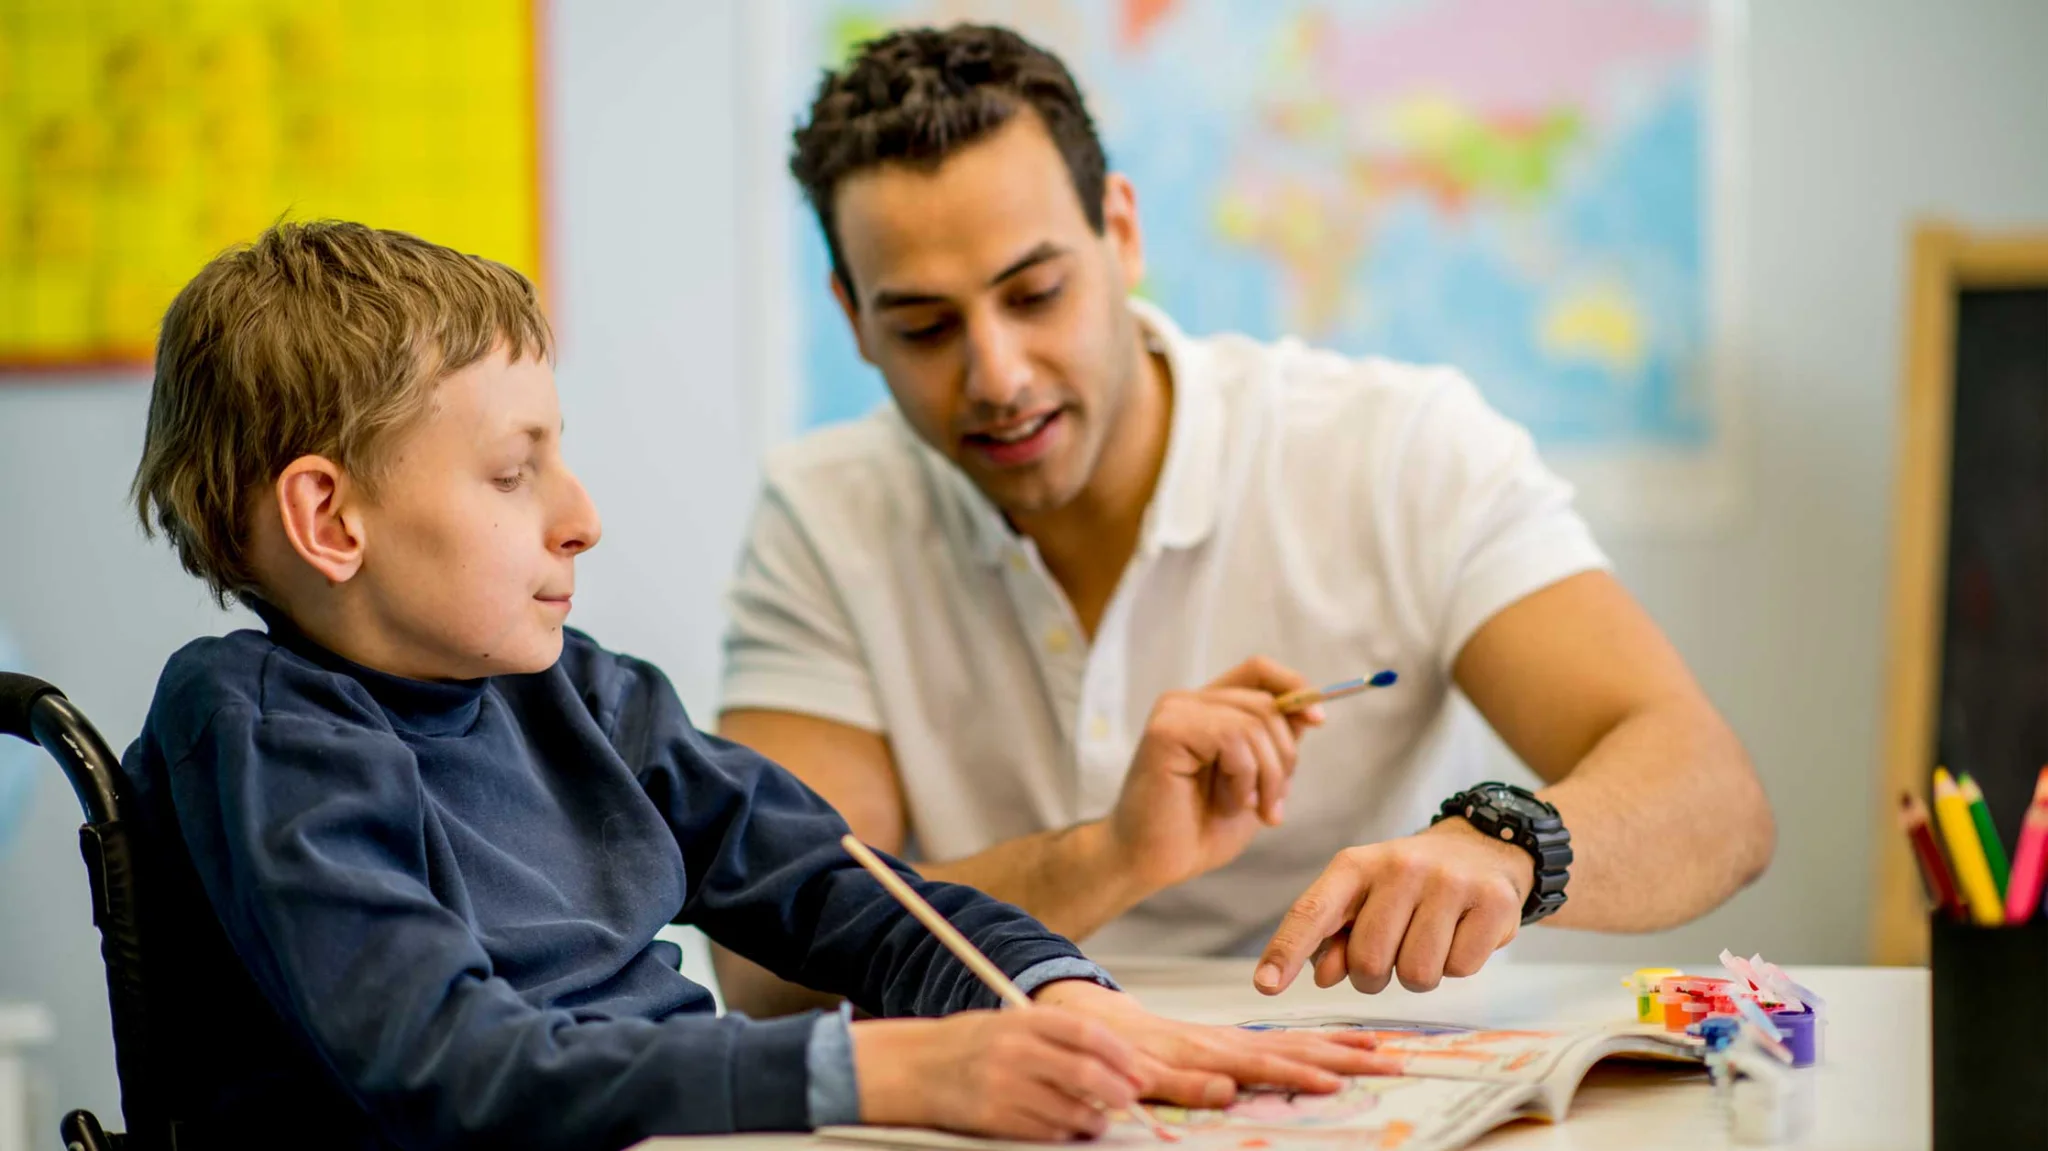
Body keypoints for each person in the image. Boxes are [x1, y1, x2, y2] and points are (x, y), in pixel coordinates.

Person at [118, 220, 1391, 1148]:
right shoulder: (258, 730)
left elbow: (841, 885)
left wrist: (1053, 997)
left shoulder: (581, 691)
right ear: (328, 518)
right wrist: (895, 1071)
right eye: (514, 474)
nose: (581, 517)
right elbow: (454, 1070)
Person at [714, 23, 1774, 1016]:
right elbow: (765, 959)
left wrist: (1505, 844)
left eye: (1035, 293)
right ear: (853, 319)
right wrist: (1112, 852)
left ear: (1119, 234)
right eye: (923, 325)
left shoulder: (1399, 448)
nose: (996, 375)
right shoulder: (825, 513)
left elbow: (1711, 794)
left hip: (1361, 1080)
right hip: (1001, 1087)